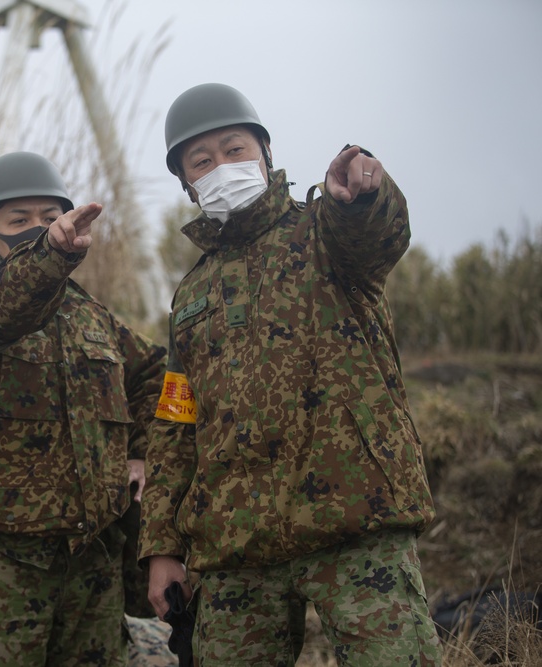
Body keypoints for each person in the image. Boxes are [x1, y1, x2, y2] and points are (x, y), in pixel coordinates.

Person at [139, 83, 442, 666]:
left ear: (267, 153)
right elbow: (176, 424)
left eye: (234, 150)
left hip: (355, 523)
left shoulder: (324, 232)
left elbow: (379, 235)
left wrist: (361, 197)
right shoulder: (191, 294)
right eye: (201, 162)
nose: (222, 167)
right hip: (236, 545)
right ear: (186, 183)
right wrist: (162, 547)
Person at [0, 151, 167, 666]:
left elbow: (156, 374)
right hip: (7, 564)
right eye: (19, 220)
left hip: (95, 560)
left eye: (48, 217)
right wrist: (50, 257)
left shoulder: (94, 318)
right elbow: (3, 310)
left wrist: (141, 454)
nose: (39, 229)